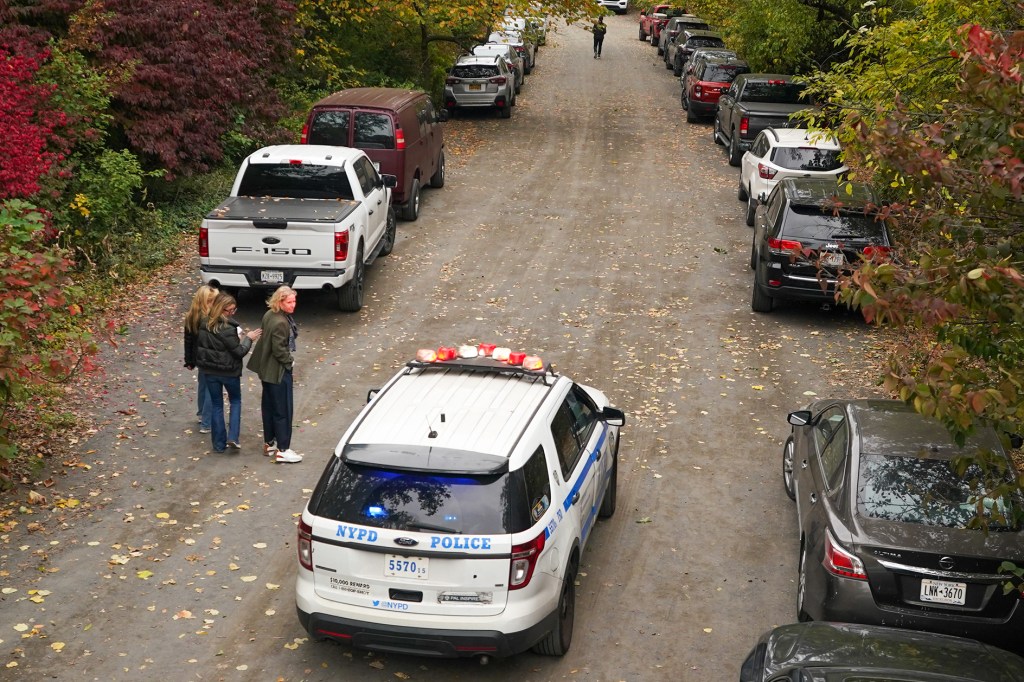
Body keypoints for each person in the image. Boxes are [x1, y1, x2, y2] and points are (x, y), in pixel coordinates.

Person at [195, 293, 261, 453]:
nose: (232, 313)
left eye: (233, 309)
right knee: (235, 401)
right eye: (229, 310)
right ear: (220, 309)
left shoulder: (203, 323)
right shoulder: (228, 328)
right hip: (229, 371)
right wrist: (248, 339)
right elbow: (239, 352)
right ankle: (233, 437)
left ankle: (218, 444)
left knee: (217, 405)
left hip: (210, 371)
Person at [246, 286, 302, 463]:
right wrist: (290, 361)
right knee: (283, 410)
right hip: (277, 372)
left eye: (294, 301)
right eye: (289, 302)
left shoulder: (269, 314)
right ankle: (283, 449)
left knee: (269, 407)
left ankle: (269, 443)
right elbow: (279, 350)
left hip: (265, 370)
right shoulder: (281, 323)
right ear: (280, 301)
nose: (293, 305)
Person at [183, 285, 218, 434]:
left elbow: (188, 339)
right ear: (207, 302)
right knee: (211, 389)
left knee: (203, 385)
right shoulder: (209, 319)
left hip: (198, 357)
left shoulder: (191, 316)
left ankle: (201, 413)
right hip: (210, 358)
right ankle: (207, 422)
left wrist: (189, 360)